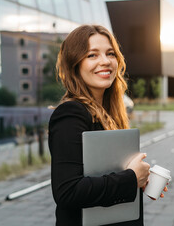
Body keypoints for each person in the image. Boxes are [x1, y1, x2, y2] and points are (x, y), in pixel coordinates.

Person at [48, 25, 167, 225]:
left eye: (110, 53)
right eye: (92, 55)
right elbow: (67, 193)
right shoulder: (71, 114)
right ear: (74, 64)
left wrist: (140, 180)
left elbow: (105, 174)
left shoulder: (110, 112)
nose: (105, 61)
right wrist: (130, 178)